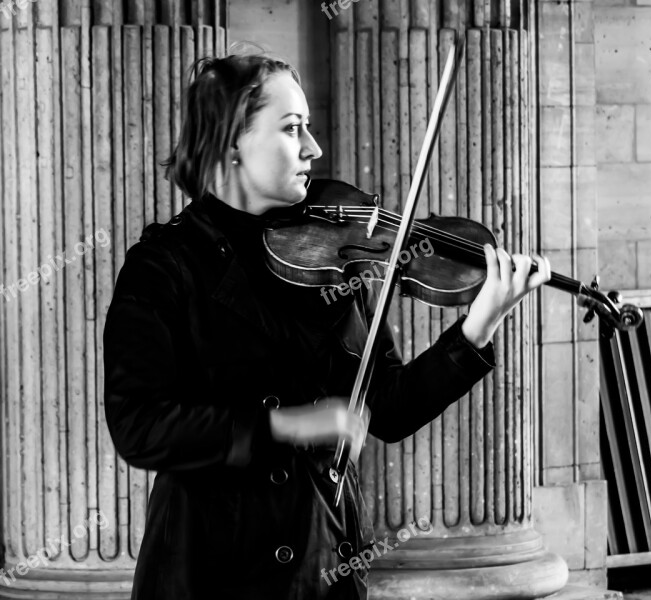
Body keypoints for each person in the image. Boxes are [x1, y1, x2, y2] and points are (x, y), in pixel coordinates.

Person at [103, 52, 551, 600]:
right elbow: (139, 425)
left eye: (308, 128)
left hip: (323, 559)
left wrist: (476, 328)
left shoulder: (332, 251)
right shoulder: (165, 265)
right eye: (292, 130)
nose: (313, 148)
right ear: (230, 143)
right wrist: (284, 426)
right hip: (209, 568)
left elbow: (386, 407)